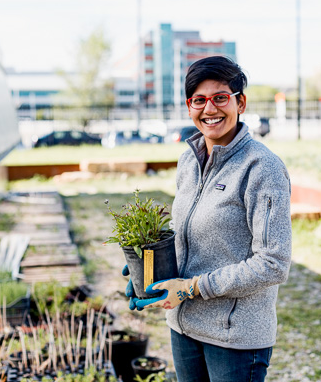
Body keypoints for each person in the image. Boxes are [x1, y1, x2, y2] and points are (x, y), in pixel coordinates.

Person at [125, 56, 292, 382]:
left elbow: (273, 262)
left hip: (234, 337)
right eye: (199, 100)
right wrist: (145, 266)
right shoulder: (188, 160)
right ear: (189, 106)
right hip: (184, 327)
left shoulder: (262, 167)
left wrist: (191, 288)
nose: (209, 109)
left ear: (240, 102)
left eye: (220, 98)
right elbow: (183, 231)